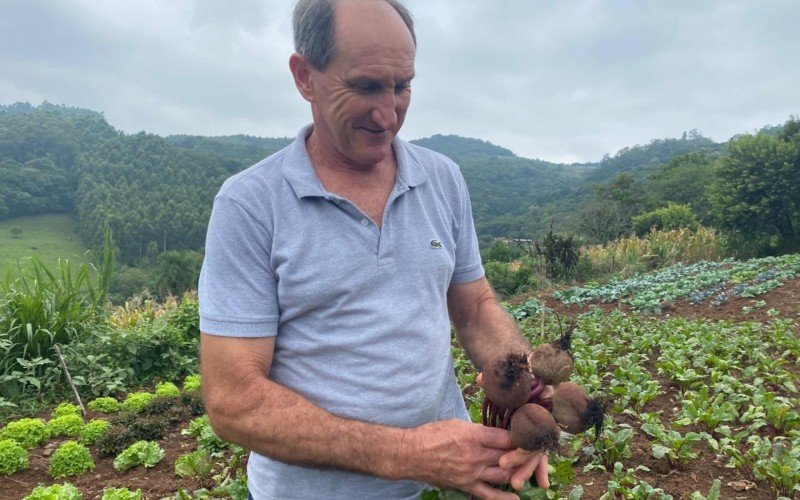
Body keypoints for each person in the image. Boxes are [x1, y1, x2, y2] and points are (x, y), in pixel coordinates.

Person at [198, 0, 549, 498]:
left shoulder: (442, 178)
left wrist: (520, 382)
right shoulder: (250, 204)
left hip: (458, 474)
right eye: (364, 87)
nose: (388, 115)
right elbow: (234, 401)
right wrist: (407, 454)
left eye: (402, 85)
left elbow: (473, 308)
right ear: (304, 76)